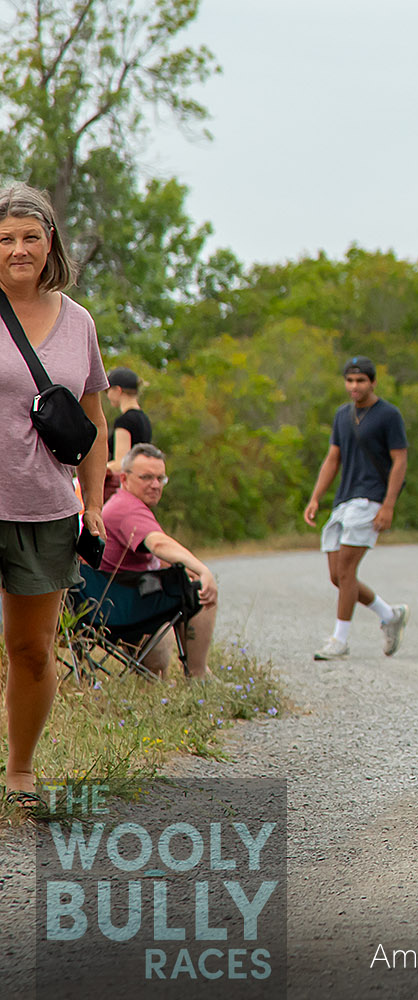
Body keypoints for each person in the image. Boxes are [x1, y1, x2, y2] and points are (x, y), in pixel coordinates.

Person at [0, 182, 109, 816]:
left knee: (33, 650)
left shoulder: (79, 321)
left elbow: (92, 419)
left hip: (46, 507)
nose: (18, 249)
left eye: (29, 237)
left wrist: (95, 504)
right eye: (5, 238)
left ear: (50, 243)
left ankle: (19, 768)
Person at [302, 356, 410, 661]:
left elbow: (400, 460)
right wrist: (316, 497)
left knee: (347, 571)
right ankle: (390, 615)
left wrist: (388, 505)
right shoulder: (342, 415)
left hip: (371, 499)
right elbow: (333, 458)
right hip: (345, 499)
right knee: (337, 576)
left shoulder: (389, 415)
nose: (354, 386)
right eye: (350, 380)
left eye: (361, 380)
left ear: (373, 382)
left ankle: (340, 640)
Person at [100, 444, 218, 679]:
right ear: (124, 478)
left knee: (183, 579)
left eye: (160, 478)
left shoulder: (123, 503)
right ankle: (198, 675)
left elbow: (153, 558)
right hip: (122, 607)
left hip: (119, 599)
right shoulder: (127, 508)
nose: (155, 485)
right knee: (199, 590)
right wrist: (203, 570)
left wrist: (183, 569)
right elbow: (159, 545)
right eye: (146, 477)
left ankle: (185, 672)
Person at [101, 366, 152, 505]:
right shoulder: (144, 419)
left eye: (107, 391)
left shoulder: (125, 421)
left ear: (118, 390)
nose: (107, 395)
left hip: (123, 490)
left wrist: (94, 471)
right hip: (139, 486)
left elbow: (121, 463)